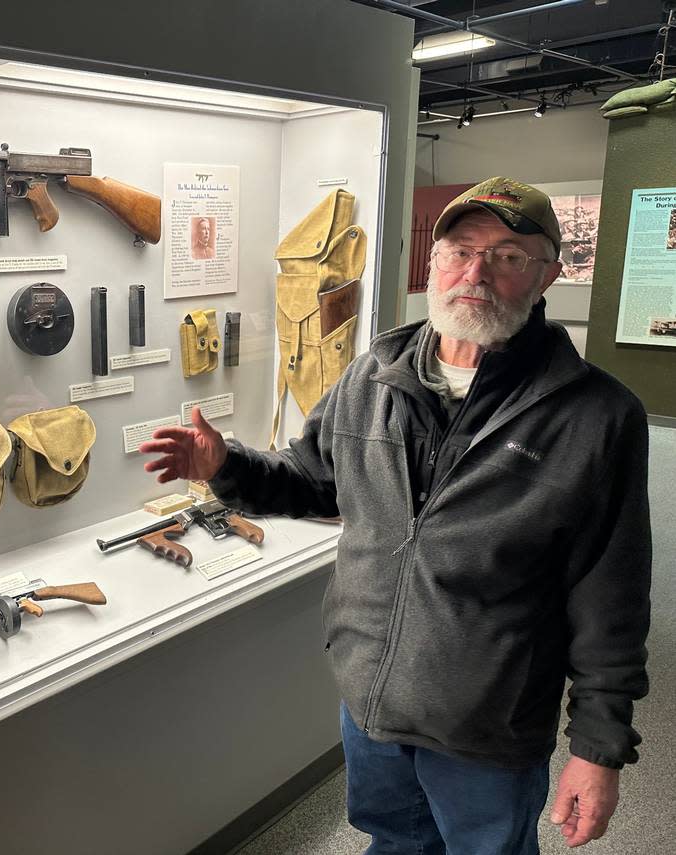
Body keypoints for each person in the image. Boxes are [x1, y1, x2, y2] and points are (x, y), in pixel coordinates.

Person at [141, 177, 651, 854]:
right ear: (433, 261)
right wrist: (225, 467)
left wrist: (598, 747)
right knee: (394, 843)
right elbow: (316, 482)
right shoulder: (373, 374)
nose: (476, 272)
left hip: (487, 728)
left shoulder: (596, 414)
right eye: (460, 249)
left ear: (547, 273)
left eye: (507, 255)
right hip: (371, 704)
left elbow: (610, 597)